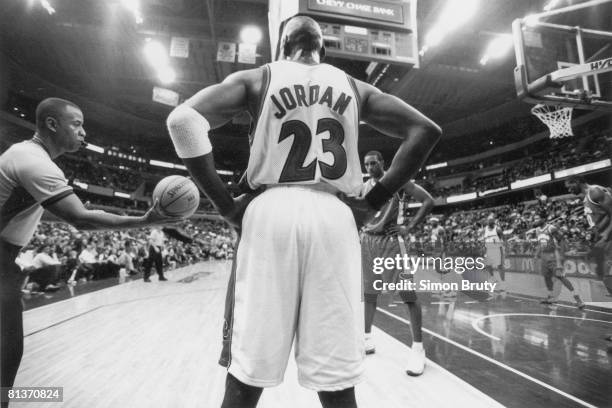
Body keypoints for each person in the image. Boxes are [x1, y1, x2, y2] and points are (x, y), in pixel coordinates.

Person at [166, 16, 441, 408]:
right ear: (323, 51)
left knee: (246, 376)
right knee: (337, 382)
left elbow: (182, 121)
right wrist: (374, 200)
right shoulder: (354, 86)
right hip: (334, 217)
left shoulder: (258, 77)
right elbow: (426, 130)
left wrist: (227, 207)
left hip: (269, 214)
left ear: (282, 49)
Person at [0, 97, 177, 406]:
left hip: (6, 259)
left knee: (8, 350)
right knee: (7, 349)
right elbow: (81, 218)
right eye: (77, 124)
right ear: (52, 125)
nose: (84, 133)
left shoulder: (30, 157)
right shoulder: (34, 161)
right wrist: (144, 220)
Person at [360, 151, 434, 376]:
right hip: (368, 242)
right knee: (370, 294)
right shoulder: (364, 186)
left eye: (374, 163)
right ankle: (367, 338)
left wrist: (409, 227)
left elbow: (428, 201)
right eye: (367, 164)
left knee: (407, 294)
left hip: (391, 243)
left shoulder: (398, 180)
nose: (370, 167)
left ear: (383, 162)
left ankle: (418, 349)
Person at [565, 176, 612, 340]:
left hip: (609, 241)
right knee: (607, 280)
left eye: (569, 185)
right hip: (604, 243)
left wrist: (605, 234)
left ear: (577, 181)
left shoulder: (595, 191)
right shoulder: (588, 198)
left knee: (608, 279)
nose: (568, 189)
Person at [527, 213, 585, 309]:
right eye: (534, 219)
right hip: (544, 257)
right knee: (546, 277)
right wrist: (536, 254)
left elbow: (561, 241)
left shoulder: (551, 228)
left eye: (537, 218)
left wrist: (561, 256)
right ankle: (550, 297)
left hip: (553, 256)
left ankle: (578, 299)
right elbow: (540, 244)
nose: (535, 220)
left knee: (561, 277)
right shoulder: (537, 230)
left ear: (543, 219)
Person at [482, 214, 506, 293]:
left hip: (497, 249)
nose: (490, 221)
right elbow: (484, 241)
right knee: (488, 266)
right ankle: (493, 280)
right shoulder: (485, 229)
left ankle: (503, 284)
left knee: (500, 266)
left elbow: (503, 239)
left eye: (491, 220)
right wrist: (484, 251)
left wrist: (503, 250)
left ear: (494, 221)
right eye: (489, 220)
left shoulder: (498, 229)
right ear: (487, 221)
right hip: (489, 249)